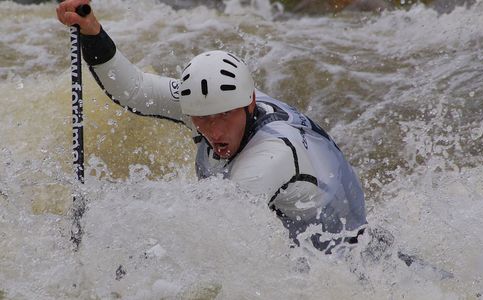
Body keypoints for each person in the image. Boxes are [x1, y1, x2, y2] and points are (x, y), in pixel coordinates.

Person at [56, 0, 367, 253]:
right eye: (203, 120)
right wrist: (93, 33)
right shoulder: (208, 103)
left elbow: (207, 231)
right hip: (298, 245)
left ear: (250, 103)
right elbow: (136, 89)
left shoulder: (271, 156)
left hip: (346, 262)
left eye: (224, 117)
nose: (215, 131)